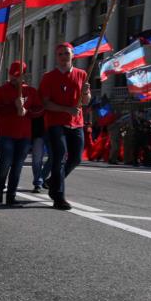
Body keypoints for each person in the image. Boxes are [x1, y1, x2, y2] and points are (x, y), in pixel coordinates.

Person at [38, 42, 91, 210]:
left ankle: (52, 182)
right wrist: (67, 109)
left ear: (72, 55)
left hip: (76, 123)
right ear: (56, 57)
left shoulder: (82, 75)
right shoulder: (48, 77)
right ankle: (58, 197)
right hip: (56, 123)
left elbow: (86, 101)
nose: (63, 57)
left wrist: (86, 93)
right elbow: (45, 104)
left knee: (76, 158)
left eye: (66, 53)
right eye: (60, 54)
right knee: (60, 157)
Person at [0, 61, 43, 205]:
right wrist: (13, 106)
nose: (14, 77)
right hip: (5, 133)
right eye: (12, 74)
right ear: (9, 73)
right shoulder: (0, 91)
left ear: (24, 75)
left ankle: (11, 196)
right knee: (5, 163)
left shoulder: (31, 91)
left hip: (24, 135)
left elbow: (39, 110)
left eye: (18, 75)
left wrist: (27, 111)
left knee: (17, 166)